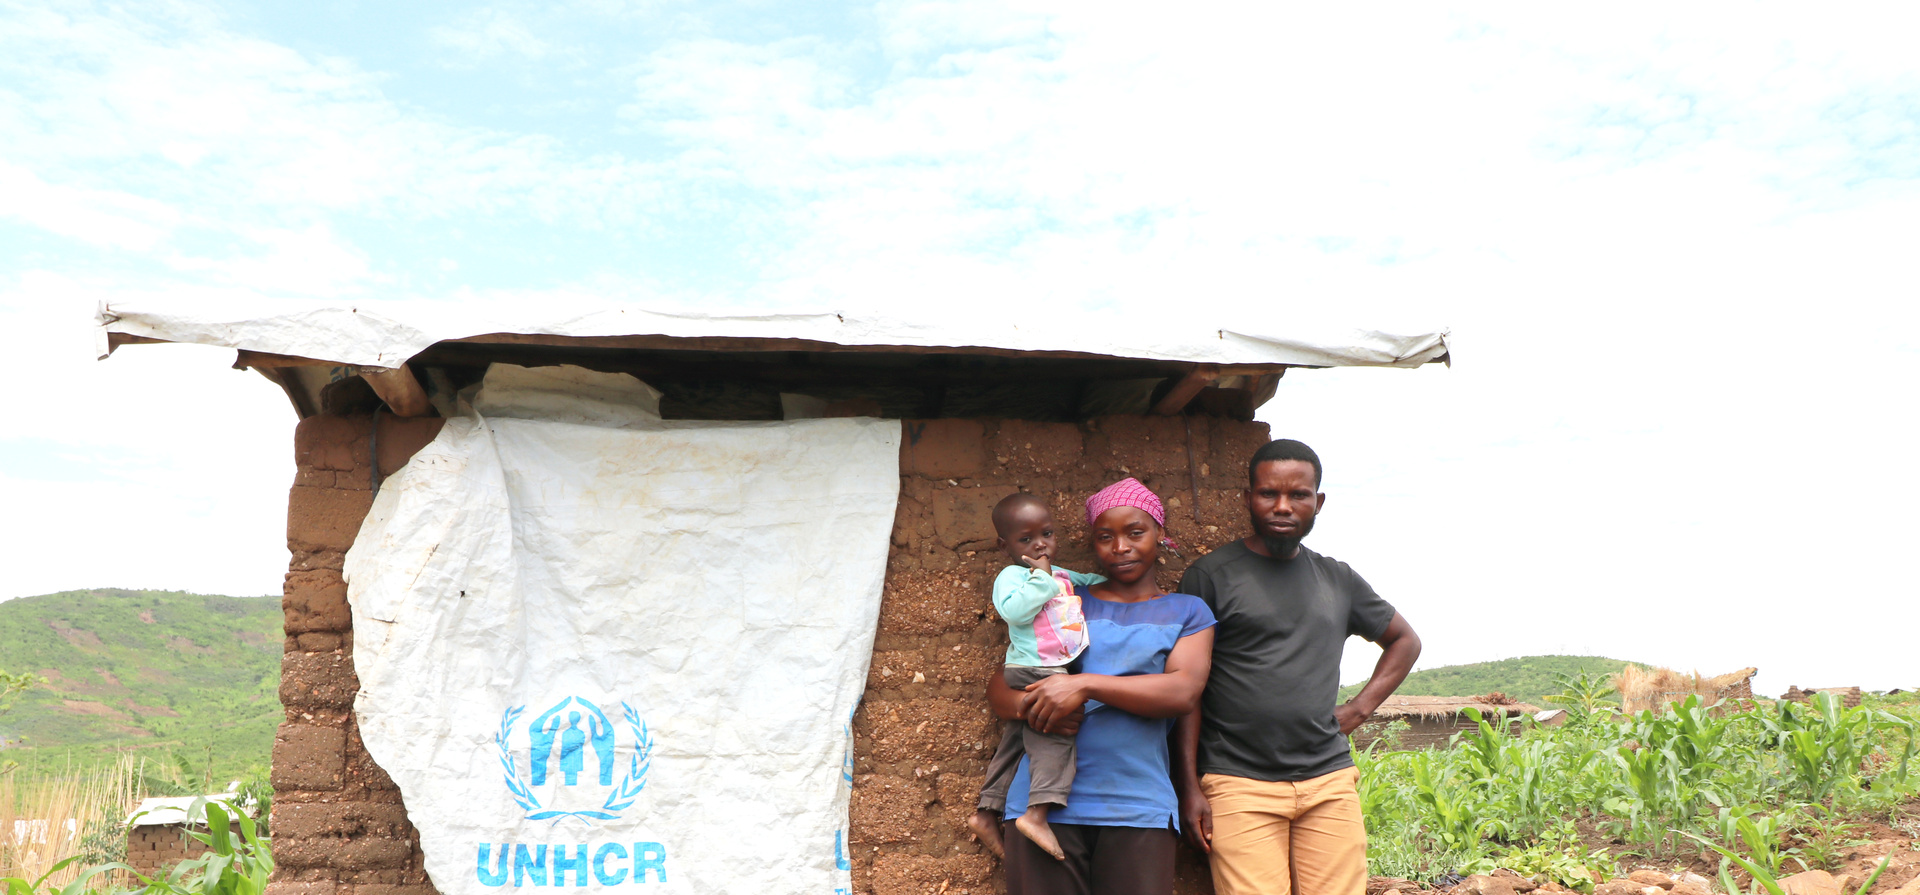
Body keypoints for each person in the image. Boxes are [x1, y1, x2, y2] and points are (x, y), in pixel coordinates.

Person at [1173, 439, 1422, 895]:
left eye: (1299, 495)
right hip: (1237, 781)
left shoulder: (1338, 579)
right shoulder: (1212, 575)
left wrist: (1359, 710)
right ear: (1247, 498)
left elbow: (1404, 640)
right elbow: (1187, 690)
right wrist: (1188, 785)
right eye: (1269, 494)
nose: (1283, 506)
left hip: (1328, 780)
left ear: (1317, 502)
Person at [984, 478, 1216, 895]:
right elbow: (1003, 683)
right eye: (1105, 537)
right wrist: (1032, 703)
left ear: (1160, 534)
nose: (1121, 547)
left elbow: (1182, 693)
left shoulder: (1186, 612)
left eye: (1135, 533)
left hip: (1139, 806)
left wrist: (1086, 685)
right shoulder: (1064, 597)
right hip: (1042, 808)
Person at [968, 493, 1107, 861]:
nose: (1040, 544)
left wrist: (1108, 583)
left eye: (1046, 533)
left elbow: (1092, 584)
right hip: (1035, 669)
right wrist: (1041, 579)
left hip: (1048, 667)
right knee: (1054, 738)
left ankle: (986, 812)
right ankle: (1037, 814)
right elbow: (1013, 612)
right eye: (1026, 539)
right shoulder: (1013, 576)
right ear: (1005, 546)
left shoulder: (1060, 575)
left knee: (1015, 745)